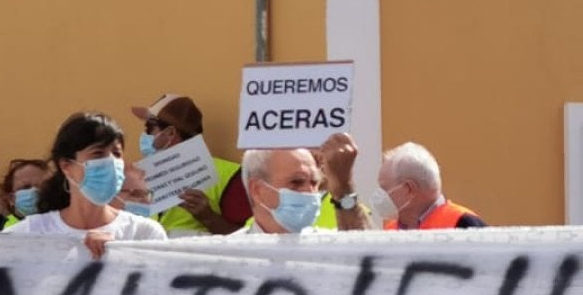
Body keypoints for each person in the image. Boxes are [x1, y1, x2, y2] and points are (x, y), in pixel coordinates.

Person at [15, 112, 168, 255]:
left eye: (116, 154)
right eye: (98, 153)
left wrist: (120, 253)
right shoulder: (28, 234)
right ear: (66, 166)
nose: (111, 162)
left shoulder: (144, 233)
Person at [131, 93, 250, 236]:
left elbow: (250, 240)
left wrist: (208, 217)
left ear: (170, 133)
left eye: (149, 129)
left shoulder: (229, 175)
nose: (144, 135)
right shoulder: (139, 175)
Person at [243, 135, 373, 234]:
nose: (310, 191)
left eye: (314, 182)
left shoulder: (327, 247)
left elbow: (370, 259)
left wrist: (343, 188)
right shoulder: (228, 254)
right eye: (296, 182)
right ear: (258, 191)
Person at [379, 142, 485, 230]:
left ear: (409, 189)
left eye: (384, 189)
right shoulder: (390, 231)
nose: (379, 196)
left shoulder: (464, 225)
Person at [0, 158, 49, 227]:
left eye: (43, 187)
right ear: (11, 198)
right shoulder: (6, 230)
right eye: (26, 187)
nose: (35, 191)